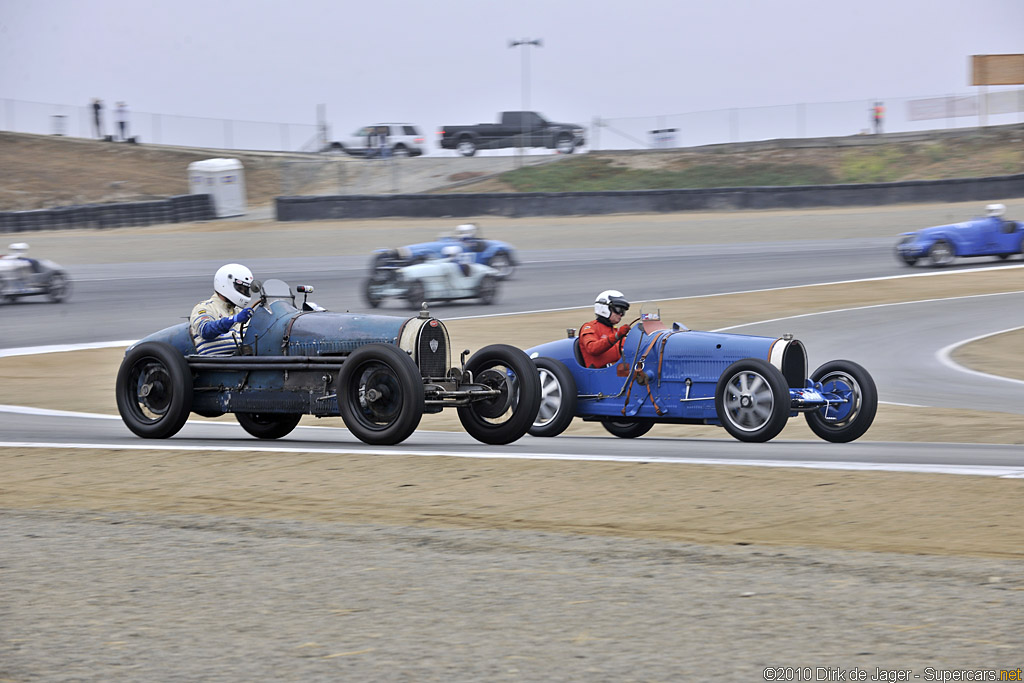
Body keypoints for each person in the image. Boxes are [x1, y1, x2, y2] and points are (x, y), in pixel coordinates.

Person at [189, 263, 255, 356]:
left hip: (244, 362)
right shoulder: (204, 307)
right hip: (215, 363)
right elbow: (205, 330)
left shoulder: (241, 313)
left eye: (245, 290)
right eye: (240, 288)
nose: (243, 292)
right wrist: (233, 319)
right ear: (224, 284)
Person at [579, 290, 631, 368]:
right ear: (604, 308)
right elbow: (592, 348)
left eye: (623, 311)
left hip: (619, 371)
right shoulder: (590, 327)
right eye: (618, 309)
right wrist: (616, 336)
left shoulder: (614, 330)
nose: (621, 314)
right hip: (600, 373)